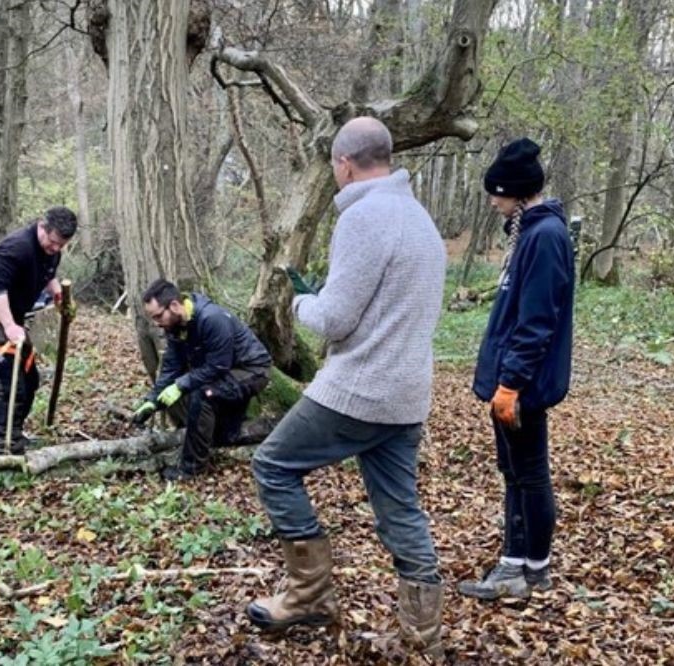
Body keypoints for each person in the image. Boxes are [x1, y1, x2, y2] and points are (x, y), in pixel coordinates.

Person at [246, 116, 448, 657]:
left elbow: (334, 319)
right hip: (407, 394)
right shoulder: (420, 219)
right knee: (401, 509)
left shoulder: (364, 217)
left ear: (344, 164)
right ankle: (420, 638)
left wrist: (300, 300)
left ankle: (309, 595)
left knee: (273, 464)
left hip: (360, 388)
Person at [458, 138, 575, 600]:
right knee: (515, 473)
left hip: (522, 386)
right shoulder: (528, 233)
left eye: (498, 193)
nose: (493, 201)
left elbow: (536, 322)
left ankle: (533, 569)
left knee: (529, 473)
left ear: (519, 192)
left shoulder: (545, 237)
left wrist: (510, 385)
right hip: (509, 382)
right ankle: (514, 564)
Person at [133, 279, 272, 481]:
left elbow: (218, 365)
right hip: (225, 372)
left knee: (203, 393)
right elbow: (171, 366)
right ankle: (215, 435)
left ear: (173, 305)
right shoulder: (175, 327)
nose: (156, 322)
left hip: (252, 371)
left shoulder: (212, 318)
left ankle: (191, 470)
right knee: (222, 432)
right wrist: (152, 400)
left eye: (158, 316)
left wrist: (181, 385)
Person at [0, 206, 77, 454]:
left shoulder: (51, 252)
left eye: (60, 246)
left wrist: (57, 293)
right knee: (8, 384)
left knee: (30, 380)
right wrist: (8, 325)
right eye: (52, 243)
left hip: (16, 320)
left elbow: (47, 275)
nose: (55, 249)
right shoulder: (16, 248)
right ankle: (1, 442)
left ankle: (15, 432)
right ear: (42, 226)